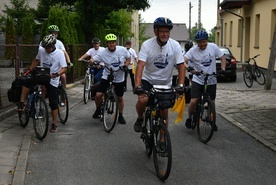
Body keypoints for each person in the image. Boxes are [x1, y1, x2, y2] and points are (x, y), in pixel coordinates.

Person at [133, 17, 185, 132]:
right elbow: (140, 65)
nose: (165, 34)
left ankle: (162, 141)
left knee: (164, 112)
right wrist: (138, 85)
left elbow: (181, 66)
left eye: (167, 32)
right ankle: (140, 117)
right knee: (142, 100)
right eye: (162, 31)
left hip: (165, 82)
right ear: (155, 32)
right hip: (149, 80)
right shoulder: (147, 45)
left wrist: (180, 85)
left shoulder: (175, 45)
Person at [18, 34, 67, 132]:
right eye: (45, 47)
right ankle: (22, 102)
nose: (46, 49)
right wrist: (29, 70)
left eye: (48, 47)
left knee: (53, 102)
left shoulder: (59, 53)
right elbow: (36, 60)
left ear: (53, 46)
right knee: (26, 81)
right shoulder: (41, 51)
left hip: (52, 78)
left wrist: (57, 74)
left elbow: (64, 68)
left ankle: (54, 123)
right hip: (40, 75)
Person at [184, 30, 227, 131]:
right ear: (197, 42)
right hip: (198, 79)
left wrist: (223, 69)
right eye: (199, 42)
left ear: (207, 40)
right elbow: (184, 60)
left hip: (211, 79)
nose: (202, 44)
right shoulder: (193, 50)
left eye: (204, 42)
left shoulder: (213, 47)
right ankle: (190, 118)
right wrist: (190, 69)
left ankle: (212, 120)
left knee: (211, 101)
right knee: (194, 101)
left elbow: (223, 58)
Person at [90, 33, 130, 124]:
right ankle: (98, 109)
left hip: (119, 77)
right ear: (107, 44)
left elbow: (128, 58)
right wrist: (92, 62)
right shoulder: (103, 53)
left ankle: (120, 115)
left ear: (115, 43)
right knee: (98, 95)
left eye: (113, 42)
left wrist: (125, 65)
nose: (111, 44)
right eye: (109, 43)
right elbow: (93, 59)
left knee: (120, 98)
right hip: (107, 75)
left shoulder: (122, 50)